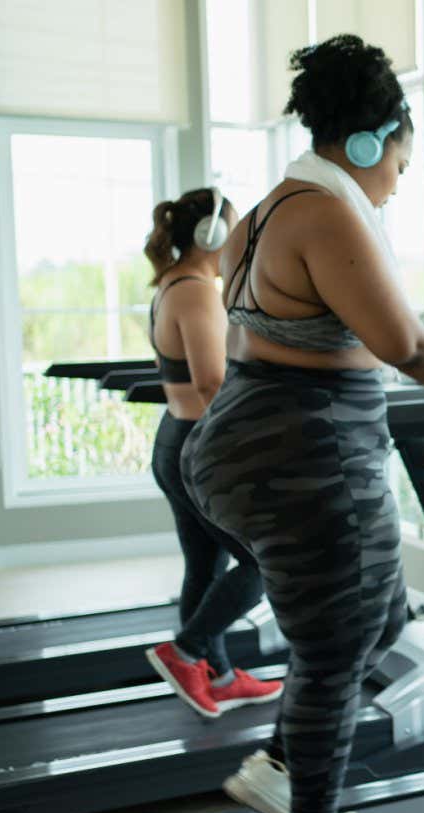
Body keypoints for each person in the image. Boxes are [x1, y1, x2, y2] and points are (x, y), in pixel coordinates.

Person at [180, 35, 424, 813]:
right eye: (399, 165)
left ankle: (279, 771)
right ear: (371, 142)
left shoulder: (266, 208)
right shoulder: (331, 212)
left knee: (379, 615)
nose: (396, 182)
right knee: (340, 642)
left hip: (251, 441)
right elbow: (407, 346)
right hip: (309, 454)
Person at [141, 187, 283, 718]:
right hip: (200, 446)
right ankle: (187, 652)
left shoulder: (172, 285)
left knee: (203, 566)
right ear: (215, 236)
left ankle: (219, 676)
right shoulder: (197, 292)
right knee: (263, 562)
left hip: (174, 439)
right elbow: (211, 383)